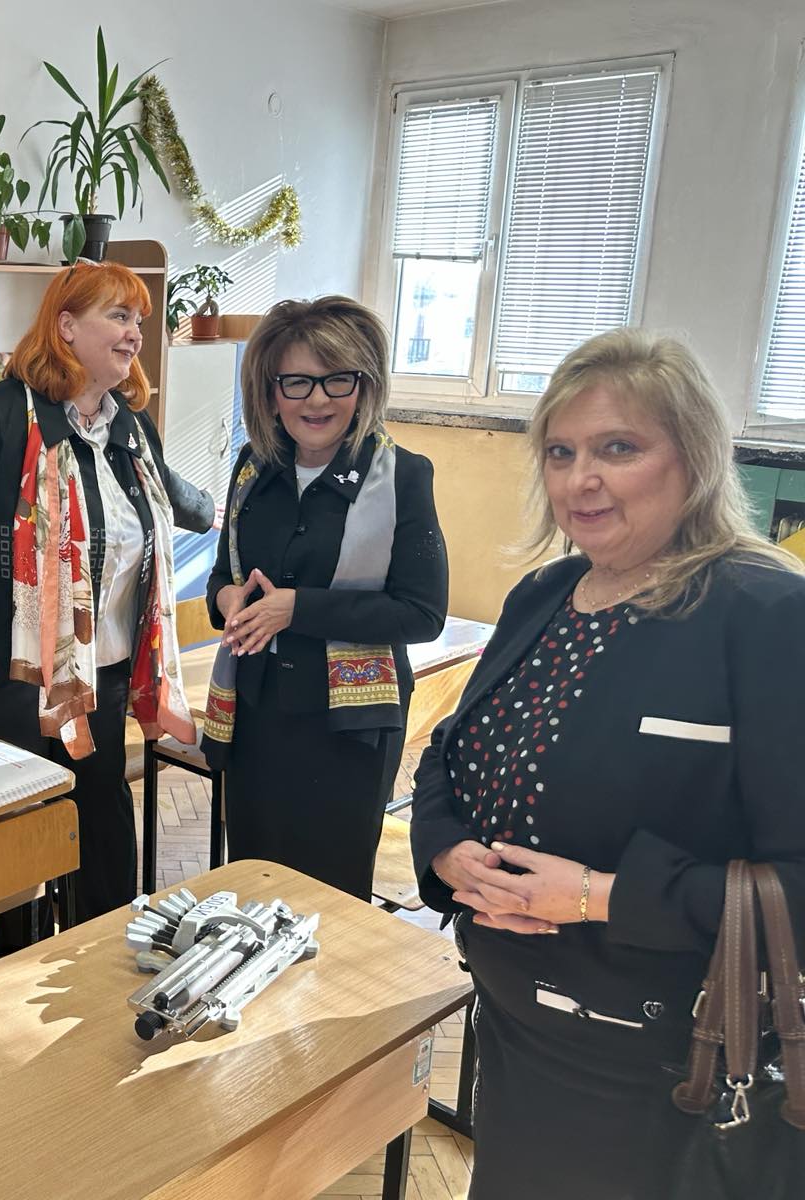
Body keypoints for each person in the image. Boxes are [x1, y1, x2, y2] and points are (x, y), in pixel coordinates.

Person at [409, 329, 805, 1199]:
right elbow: (450, 751)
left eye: (618, 448)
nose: (580, 479)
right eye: (561, 452)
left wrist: (602, 896)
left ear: (694, 459)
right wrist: (445, 851)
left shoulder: (765, 614)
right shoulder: (545, 595)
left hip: (671, 1074)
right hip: (516, 1034)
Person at [0, 259, 213, 954]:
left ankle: (103, 945)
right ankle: (19, 957)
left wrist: (230, 510)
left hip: (104, 662)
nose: (135, 333)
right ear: (67, 326)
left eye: (139, 320)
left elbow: (170, 495)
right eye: (119, 316)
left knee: (99, 802)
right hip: (13, 662)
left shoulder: (129, 424)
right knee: (22, 812)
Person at [203, 296, 447, 899]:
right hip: (257, 712)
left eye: (337, 380)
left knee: (330, 895)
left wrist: (298, 609)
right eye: (297, 382)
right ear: (270, 393)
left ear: (364, 388)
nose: (317, 400)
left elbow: (422, 614)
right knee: (253, 881)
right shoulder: (252, 467)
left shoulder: (403, 475)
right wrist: (228, 600)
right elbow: (222, 576)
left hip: (349, 726)